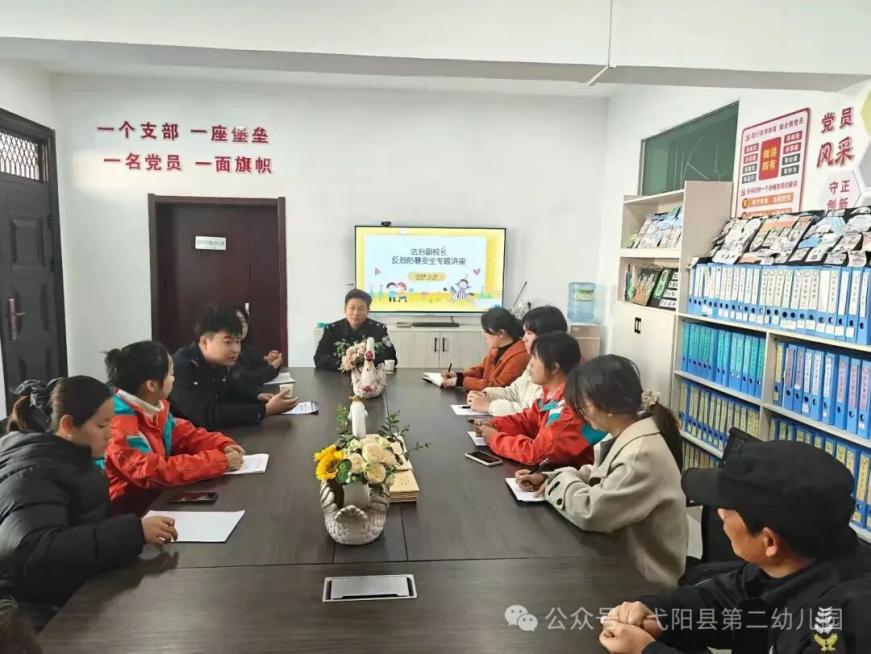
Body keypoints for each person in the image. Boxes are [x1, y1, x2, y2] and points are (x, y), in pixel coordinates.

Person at [600, 439, 871, 654]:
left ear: (769, 541)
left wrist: (647, 651)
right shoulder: (792, 563)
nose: (719, 513)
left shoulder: (845, 621)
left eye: (728, 508)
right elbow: (720, 602)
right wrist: (657, 615)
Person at [0, 377, 177, 609]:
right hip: (28, 610)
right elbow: (36, 554)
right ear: (68, 425)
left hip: (66, 591)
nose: (110, 434)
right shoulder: (32, 473)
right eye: (102, 426)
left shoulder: (70, 461)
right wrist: (133, 532)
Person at [515, 355, 687, 586]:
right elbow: (600, 472)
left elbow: (591, 511)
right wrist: (549, 477)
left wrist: (560, 480)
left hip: (643, 581)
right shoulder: (631, 432)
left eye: (583, 404)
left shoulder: (641, 455)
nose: (581, 412)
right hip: (619, 560)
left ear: (608, 405)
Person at [103, 341, 246, 515]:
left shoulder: (155, 405)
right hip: (132, 512)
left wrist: (221, 444)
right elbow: (153, 472)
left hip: (159, 498)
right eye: (170, 373)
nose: (174, 378)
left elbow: (185, 434)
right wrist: (219, 462)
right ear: (152, 385)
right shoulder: (118, 425)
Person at [475, 332, 604, 467]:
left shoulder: (572, 406)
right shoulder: (551, 394)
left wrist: (495, 439)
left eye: (535, 358)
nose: (530, 364)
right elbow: (528, 420)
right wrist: (495, 424)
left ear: (554, 367)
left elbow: (538, 453)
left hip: (572, 474)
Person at [171, 304, 298, 429]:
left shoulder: (218, 361)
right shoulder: (183, 366)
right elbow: (207, 416)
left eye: (238, 341)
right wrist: (264, 410)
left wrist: (257, 395)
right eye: (228, 342)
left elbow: (231, 388)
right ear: (204, 342)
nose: (236, 349)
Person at [466, 305, 568, 416]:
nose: (524, 339)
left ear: (547, 336)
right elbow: (514, 391)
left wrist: (489, 406)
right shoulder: (533, 360)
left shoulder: (553, 369)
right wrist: (487, 394)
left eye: (529, 333)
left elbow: (532, 414)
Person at [441, 307, 529, 391]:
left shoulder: (520, 356)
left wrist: (461, 381)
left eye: (487, 331)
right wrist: (458, 375)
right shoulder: (496, 348)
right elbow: (482, 370)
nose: (485, 335)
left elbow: (499, 385)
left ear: (501, 333)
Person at [314, 289, 397, 371]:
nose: (356, 313)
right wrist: (343, 363)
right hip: (338, 376)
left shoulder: (378, 330)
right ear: (345, 309)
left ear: (368, 310)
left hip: (369, 377)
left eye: (361, 308)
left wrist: (362, 362)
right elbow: (319, 359)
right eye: (352, 308)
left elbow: (391, 358)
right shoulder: (332, 330)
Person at [231, 305, 282, 387]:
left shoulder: (245, 347)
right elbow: (247, 378)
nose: (241, 326)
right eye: (236, 321)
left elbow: (260, 368)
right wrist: (273, 366)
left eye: (243, 321)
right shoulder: (225, 351)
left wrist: (269, 362)